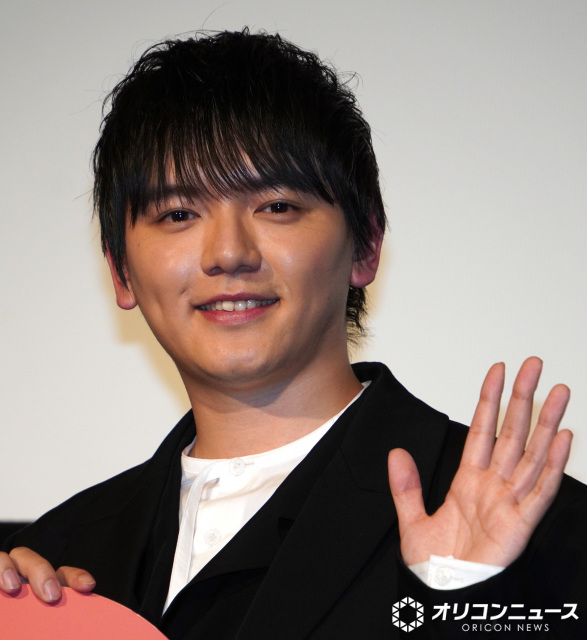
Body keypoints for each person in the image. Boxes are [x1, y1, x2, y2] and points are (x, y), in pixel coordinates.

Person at [1, 29, 585, 639]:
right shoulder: (59, 561)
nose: (228, 253)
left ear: (365, 245)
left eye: (276, 206)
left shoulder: (538, 531)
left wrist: (464, 607)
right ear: (121, 272)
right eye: (178, 214)